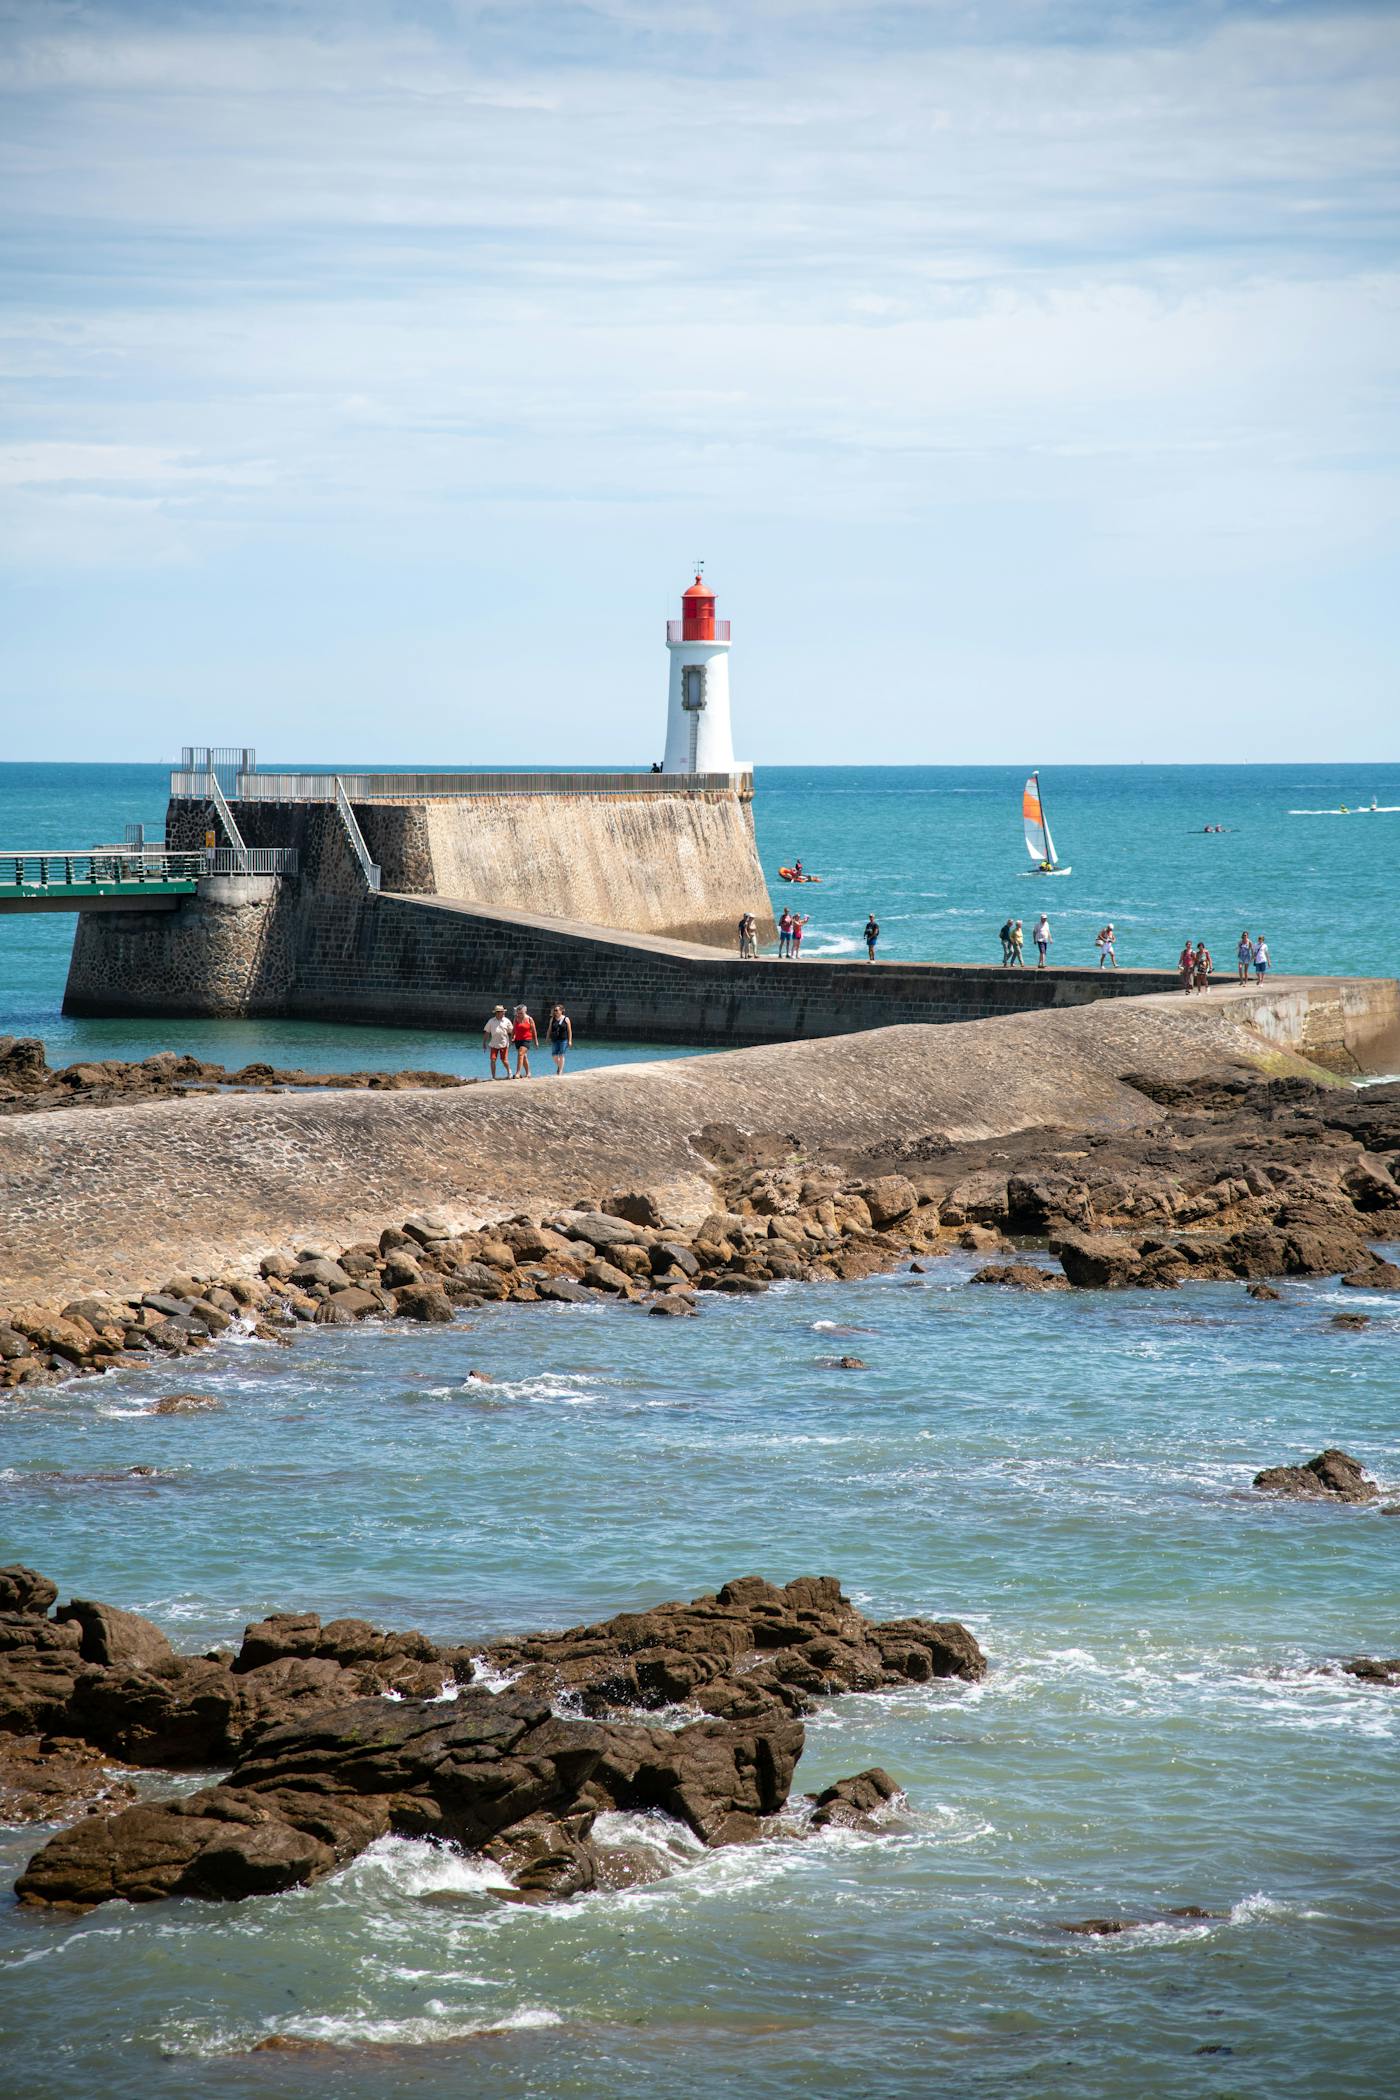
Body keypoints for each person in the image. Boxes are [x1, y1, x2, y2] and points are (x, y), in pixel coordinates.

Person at [483, 1004, 514, 1078]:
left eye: (503, 1012)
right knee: (493, 1060)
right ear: (496, 1013)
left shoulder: (506, 1021)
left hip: (504, 1043)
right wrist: (484, 1042)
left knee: (504, 1060)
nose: (503, 1013)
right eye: (501, 1012)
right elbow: (487, 1032)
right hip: (494, 1043)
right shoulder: (491, 1021)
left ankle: (509, 1072)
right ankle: (493, 1077)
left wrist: (512, 1039)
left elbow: (512, 1032)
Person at [511, 1003, 537, 1078]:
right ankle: (528, 1073)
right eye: (518, 1013)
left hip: (527, 1039)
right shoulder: (516, 1018)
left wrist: (536, 1041)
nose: (519, 1014)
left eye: (521, 1013)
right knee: (524, 1056)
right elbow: (514, 1029)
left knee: (520, 1054)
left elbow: (534, 1031)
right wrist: (512, 1038)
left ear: (525, 1011)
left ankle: (518, 1073)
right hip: (518, 1040)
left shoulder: (529, 1019)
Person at [548, 1003, 572, 1074]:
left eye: (556, 1010)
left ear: (561, 1011)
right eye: (554, 1010)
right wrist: (547, 1037)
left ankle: (560, 1071)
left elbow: (569, 1030)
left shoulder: (566, 1019)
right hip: (555, 1039)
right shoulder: (552, 1019)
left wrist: (570, 1040)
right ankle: (561, 1067)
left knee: (561, 1054)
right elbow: (549, 1029)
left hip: (563, 1039)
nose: (555, 1012)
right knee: (554, 1055)